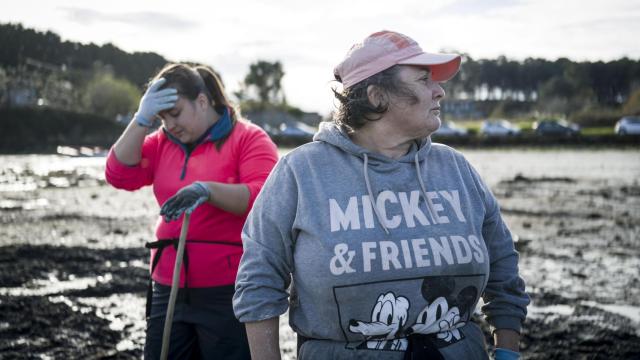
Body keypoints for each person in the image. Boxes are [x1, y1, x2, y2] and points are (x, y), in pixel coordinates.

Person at [233, 30, 530, 360]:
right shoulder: (302, 174)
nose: (439, 91)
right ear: (377, 96)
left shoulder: (455, 169)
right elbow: (259, 281)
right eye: (422, 79)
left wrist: (507, 353)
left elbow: (504, 269)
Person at [105, 63, 278, 359]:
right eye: (161, 117)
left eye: (175, 114)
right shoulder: (160, 143)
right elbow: (119, 173)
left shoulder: (249, 138)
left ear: (202, 101)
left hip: (229, 290)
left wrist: (208, 190)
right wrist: (141, 120)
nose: (169, 124)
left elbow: (264, 198)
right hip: (167, 286)